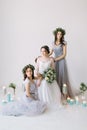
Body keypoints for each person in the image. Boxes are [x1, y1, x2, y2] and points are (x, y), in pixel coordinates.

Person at [49, 27, 73, 99]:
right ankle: (57, 93)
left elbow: (64, 54)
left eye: (61, 34)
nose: (59, 35)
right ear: (56, 34)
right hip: (55, 61)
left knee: (62, 76)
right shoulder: (53, 43)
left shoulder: (64, 43)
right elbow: (50, 52)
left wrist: (55, 59)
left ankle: (64, 93)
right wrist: (44, 55)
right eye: (58, 34)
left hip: (61, 61)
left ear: (62, 35)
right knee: (56, 76)